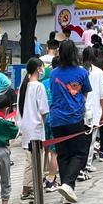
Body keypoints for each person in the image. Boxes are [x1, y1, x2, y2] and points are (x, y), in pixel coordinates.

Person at [50, 40, 92, 204]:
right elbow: (86, 93)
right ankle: (67, 184)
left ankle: (68, 188)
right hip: (74, 118)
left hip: (56, 119)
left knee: (63, 155)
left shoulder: (53, 73)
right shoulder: (81, 73)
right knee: (80, 153)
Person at [17, 58, 49, 204]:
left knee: (29, 159)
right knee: (34, 160)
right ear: (38, 68)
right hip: (36, 128)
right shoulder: (38, 86)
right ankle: (28, 190)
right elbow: (43, 110)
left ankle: (29, 188)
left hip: (25, 127)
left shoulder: (24, 86)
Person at [82, 47, 103, 175]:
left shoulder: (79, 71)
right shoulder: (98, 72)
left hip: (80, 110)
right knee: (91, 139)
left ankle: (82, 164)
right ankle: (87, 163)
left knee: (81, 138)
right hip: (94, 109)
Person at [41, 57, 60, 192]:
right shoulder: (60, 82)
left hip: (42, 119)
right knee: (54, 152)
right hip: (55, 119)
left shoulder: (43, 83)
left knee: (44, 149)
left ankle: (42, 176)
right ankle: (51, 180)